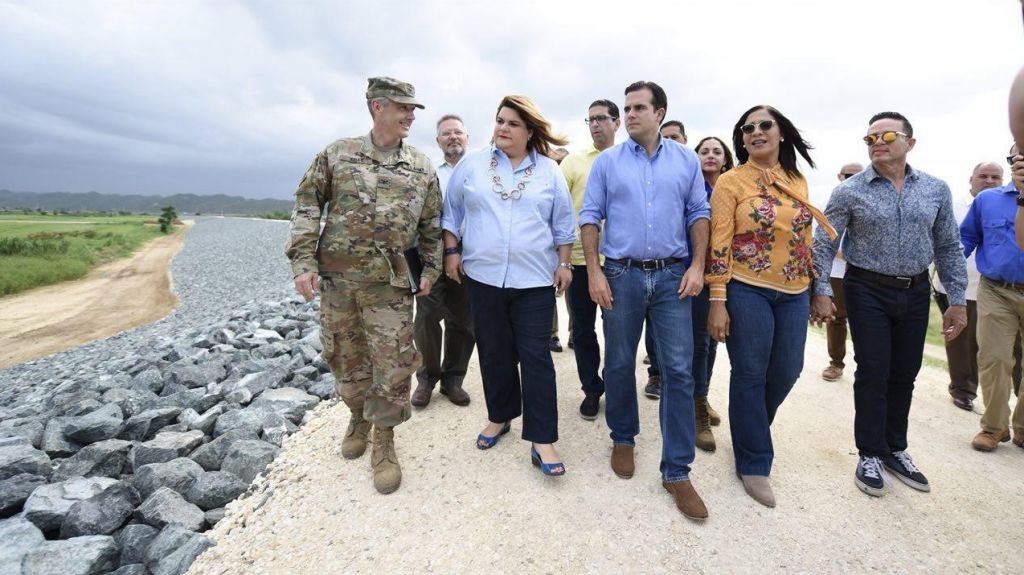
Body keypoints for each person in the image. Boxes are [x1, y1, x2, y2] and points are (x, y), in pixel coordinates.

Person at [285, 76, 442, 495]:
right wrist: (303, 261)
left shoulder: (422, 166)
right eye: (403, 108)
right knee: (344, 356)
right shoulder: (338, 154)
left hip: (390, 286)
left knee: (393, 362)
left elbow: (432, 225)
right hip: (339, 283)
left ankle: (384, 439)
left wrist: (431, 270)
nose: (410, 116)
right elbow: (307, 204)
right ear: (378, 107)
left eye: (413, 109)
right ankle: (358, 417)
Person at [811, 111, 968, 498]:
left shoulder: (935, 189)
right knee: (874, 369)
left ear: (909, 143)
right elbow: (824, 243)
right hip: (866, 288)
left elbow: (949, 246)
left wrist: (957, 300)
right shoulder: (850, 191)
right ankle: (869, 453)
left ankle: (895, 448)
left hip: (915, 290)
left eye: (886, 136)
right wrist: (821, 289)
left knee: (905, 371)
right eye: (870, 139)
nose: (877, 143)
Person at [580, 81, 711, 521]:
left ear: (660, 113)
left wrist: (697, 266)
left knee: (678, 369)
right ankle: (623, 437)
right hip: (621, 275)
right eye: (627, 108)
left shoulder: (686, 160)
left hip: (673, 276)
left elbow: (699, 212)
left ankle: (677, 471)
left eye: (639, 107)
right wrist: (595, 272)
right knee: (619, 362)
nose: (630, 114)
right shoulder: (608, 162)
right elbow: (590, 216)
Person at [706, 105, 835, 508]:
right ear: (742, 139)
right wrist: (718, 300)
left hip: (795, 291)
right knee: (750, 373)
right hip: (747, 288)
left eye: (765, 125)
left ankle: (750, 430)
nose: (756, 132)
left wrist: (819, 288)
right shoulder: (730, 182)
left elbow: (805, 239)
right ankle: (754, 461)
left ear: (781, 134)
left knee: (787, 370)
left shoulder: (797, 179)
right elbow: (719, 241)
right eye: (748, 128)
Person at [442, 95, 575, 476]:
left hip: (534, 280)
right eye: (500, 120)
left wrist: (564, 263)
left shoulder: (549, 171)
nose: (502, 128)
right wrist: (452, 252)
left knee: (536, 357)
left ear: (530, 131)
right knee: (494, 352)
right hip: (483, 278)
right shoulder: (472, 165)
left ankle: (542, 439)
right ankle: (499, 417)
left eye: (513, 123)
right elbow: (451, 213)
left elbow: (563, 223)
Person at [932, 161, 1021, 411]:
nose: (989, 181)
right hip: (961, 288)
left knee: (1012, 349)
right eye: (983, 176)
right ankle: (963, 390)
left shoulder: (1011, 203)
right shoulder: (954, 206)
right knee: (962, 343)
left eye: (995, 177)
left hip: (998, 288)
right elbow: (944, 241)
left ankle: (1017, 400)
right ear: (971, 179)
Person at [561, 99, 620, 420]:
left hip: (619, 262)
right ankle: (592, 389)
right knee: (582, 330)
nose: (595, 124)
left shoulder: (629, 159)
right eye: (590, 120)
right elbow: (558, 208)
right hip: (581, 261)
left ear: (616, 123)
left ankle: (615, 382)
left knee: (618, 331)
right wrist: (560, 259)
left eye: (601, 118)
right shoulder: (573, 162)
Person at [963, 144, 1024, 451]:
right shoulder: (987, 200)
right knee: (994, 359)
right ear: (1011, 162)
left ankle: (1022, 428)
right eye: (1018, 155)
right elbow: (966, 237)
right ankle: (994, 427)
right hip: (997, 289)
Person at [411, 114, 475, 409]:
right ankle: (427, 378)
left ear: (467, 137)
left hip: (470, 253)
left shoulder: (479, 171)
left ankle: (453, 379)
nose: (453, 137)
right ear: (438, 141)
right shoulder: (427, 172)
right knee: (426, 317)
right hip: (429, 252)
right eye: (446, 133)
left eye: (457, 132)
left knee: (463, 319)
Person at [688, 135, 735, 452]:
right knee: (699, 344)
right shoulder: (691, 188)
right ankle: (697, 410)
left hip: (727, 275)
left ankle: (702, 396)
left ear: (725, 159)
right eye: (704, 151)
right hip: (697, 273)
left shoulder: (731, 189)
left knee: (714, 340)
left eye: (717, 151)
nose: (710, 155)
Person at [643, 120, 690, 401]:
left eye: (676, 137)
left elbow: (698, 213)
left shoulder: (687, 166)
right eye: (666, 136)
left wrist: (697, 267)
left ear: (685, 139)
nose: (670, 141)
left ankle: (697, 399)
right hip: (641, 265)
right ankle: (656, 373)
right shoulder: (637, 167)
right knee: (650, 327)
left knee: (685, 353)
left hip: (680, 266)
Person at [821, 163, 863, 382]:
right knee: (837, 318)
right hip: (837, 271)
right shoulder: (829, 201)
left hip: (864, 272)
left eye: (859, 175)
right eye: (849, 175)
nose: (854, 178)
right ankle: (836, 363)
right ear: (840, 176)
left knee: (866, 320)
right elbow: (819, 238)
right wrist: (847, 254)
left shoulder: (872, 200)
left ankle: (867, 367)